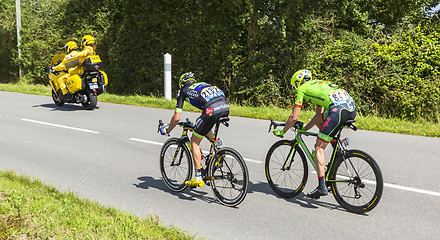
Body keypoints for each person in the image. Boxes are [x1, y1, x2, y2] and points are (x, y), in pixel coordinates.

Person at [272, 69, 356, 199]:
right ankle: (337, 150)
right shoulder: (317, 85)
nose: (295, 89)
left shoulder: (302, 89)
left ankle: (322, 187)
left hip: (337, 111)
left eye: (295, 86)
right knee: (322, 123)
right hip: (349, 108)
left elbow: (294, 117)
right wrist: (305, 129)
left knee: (319, 147)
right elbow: (318, 117)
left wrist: (282, 131)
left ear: (298, 83)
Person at [159, 72, 229, 188]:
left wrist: (167, 130)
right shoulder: (202, 85)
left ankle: (197, 178)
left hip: (211, 110)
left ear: (182, 84)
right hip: (224, 107)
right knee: (202, 124)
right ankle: (217, 148)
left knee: (194, 141)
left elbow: (176, 118)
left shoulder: (183, 90)